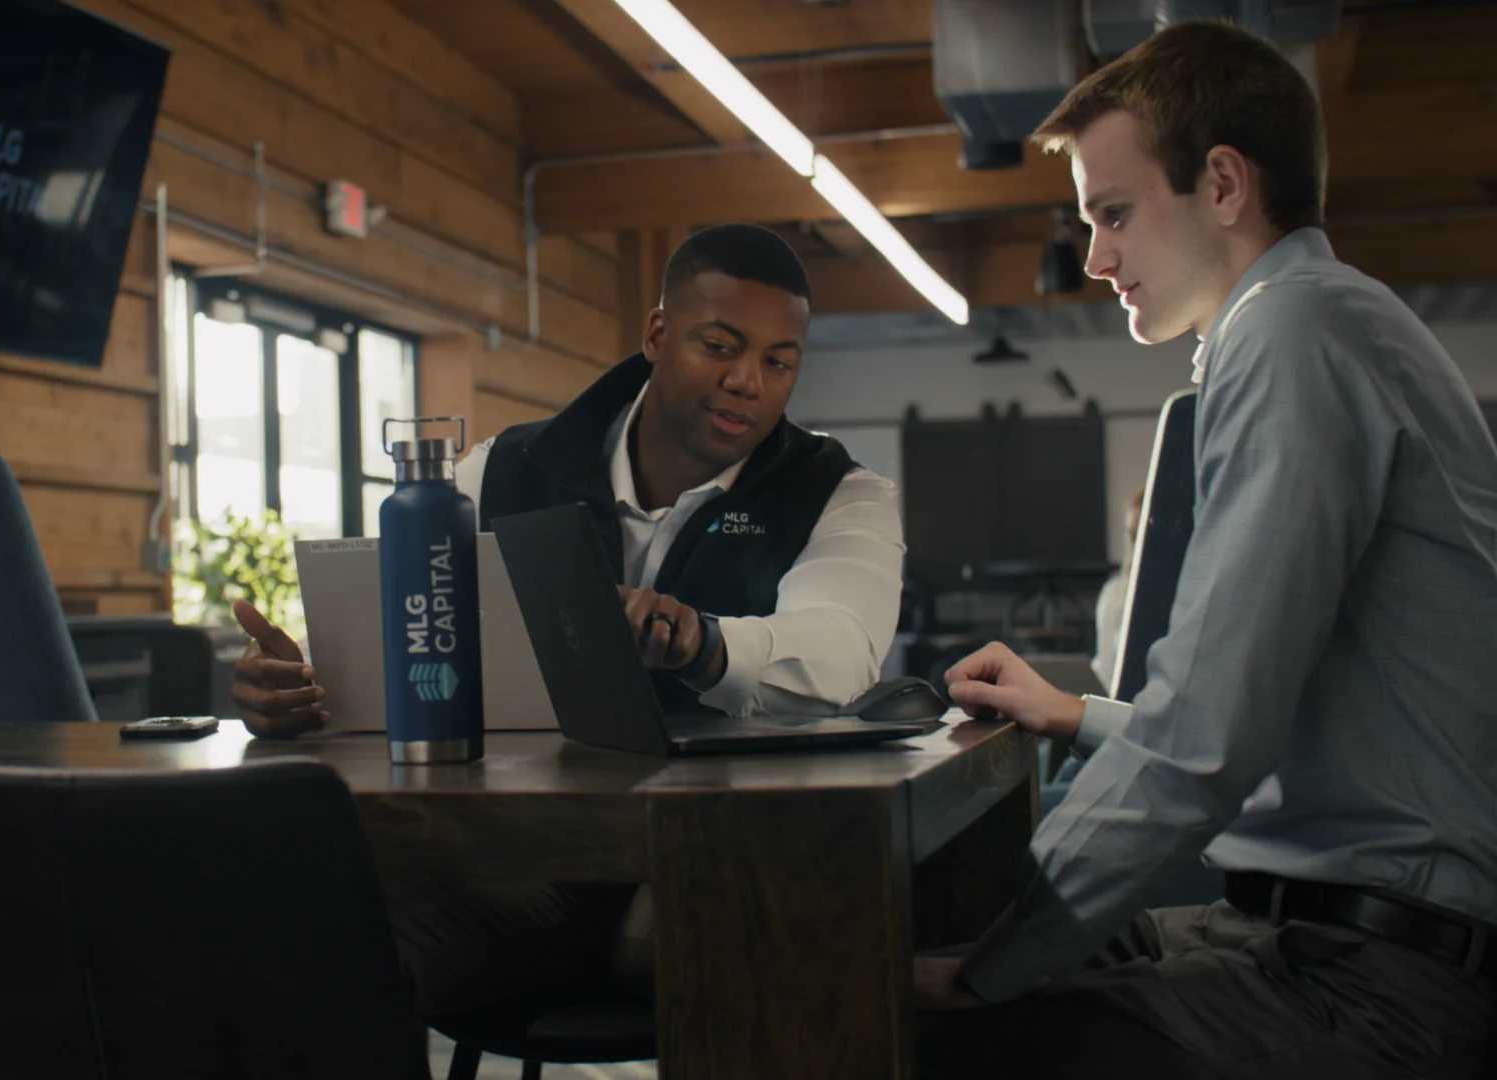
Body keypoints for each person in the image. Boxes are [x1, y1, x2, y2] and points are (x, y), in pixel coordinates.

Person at [913, 21, 1496, 1079]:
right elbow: (1272, 721)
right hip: (1310, 936)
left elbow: (1208, 739)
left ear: (1224, 184)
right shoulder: (1315, 322)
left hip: (1373, 984)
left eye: (1115, 213)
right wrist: (1078, 713)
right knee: (934, 952)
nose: (1095, 258)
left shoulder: (1292, 331)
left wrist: (1003, 963)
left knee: (922, 1031)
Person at [230, 222, 906, 1014]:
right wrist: (294, 685)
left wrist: (704, 641)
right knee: (287, 925)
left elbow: (841, 649)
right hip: (512, 852)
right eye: (720, 346)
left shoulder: (843, 494)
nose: (747, 381)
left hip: (707, 856)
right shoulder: (501, 470)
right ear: (657, 333)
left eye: (777, 362)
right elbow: (384, 637)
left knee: (716, 936)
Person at [1089, 489, 1143, 693]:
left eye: (1139, 534)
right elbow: (1103, 666)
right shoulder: (1113, 593)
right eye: (1130, 533)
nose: (1133, 543)